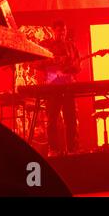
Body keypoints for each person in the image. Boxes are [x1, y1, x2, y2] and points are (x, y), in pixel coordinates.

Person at [37, 20, 81, 156]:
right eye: (59, 31)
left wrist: (72, 66)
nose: (62, 33)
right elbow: (36, 63)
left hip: (68, 86)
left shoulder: (71, 46)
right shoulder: (45, 45)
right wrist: (55, 60)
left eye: (64, 31)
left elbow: (78, 68)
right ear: (53, 31)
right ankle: (53, 150)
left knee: (71, 119)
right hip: (52, 86)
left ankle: (73, 150)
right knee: (52, 120)